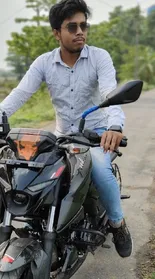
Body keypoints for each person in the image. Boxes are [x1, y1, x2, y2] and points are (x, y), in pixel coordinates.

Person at [0, 0, 132, 258]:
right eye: (72, 27)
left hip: (96, 136)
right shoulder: (44, 62)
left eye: (83, 25)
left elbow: (110, 93)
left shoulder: (99, 57)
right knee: (27, 171)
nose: (80, 31)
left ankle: (118, 224)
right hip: (62, 136)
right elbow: (20, 94)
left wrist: (115, 126)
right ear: (56, 32)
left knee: (101, 172)